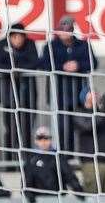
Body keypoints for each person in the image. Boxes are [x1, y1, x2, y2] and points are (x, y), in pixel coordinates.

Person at [40, 16, 97, 153]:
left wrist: (78, 65)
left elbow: (93, 62)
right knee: (61, 127)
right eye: (63, 30)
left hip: (79, 93)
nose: (66, 33)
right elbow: (44, 64)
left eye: (69, 30)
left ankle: (81, 155)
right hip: (58, 94)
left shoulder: (83, 45)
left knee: (82, 125)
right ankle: (64, 156)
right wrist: (62, 67)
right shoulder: (50, 46)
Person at [0, 23, 41, 148]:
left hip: (28, 94)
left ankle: (27, 159)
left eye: (20, 36)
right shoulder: (1, 45)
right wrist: (10, 70)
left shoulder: (30, 44)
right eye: (14, 37)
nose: (18, 40)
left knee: (27, 128)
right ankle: (10, 160)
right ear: (10, 37)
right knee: (11, 128)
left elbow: (35, 62)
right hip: (8, 95)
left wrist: (18, 70)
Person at [22, 126, 83, 203]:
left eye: (46, 138)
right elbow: (26, 181)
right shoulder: (31, 159)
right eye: (40, 138)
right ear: (36, 141)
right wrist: (28, 194)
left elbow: (68, 175)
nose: (43, 141)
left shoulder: (58, 157)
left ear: (50, 139)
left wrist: (78, 189)